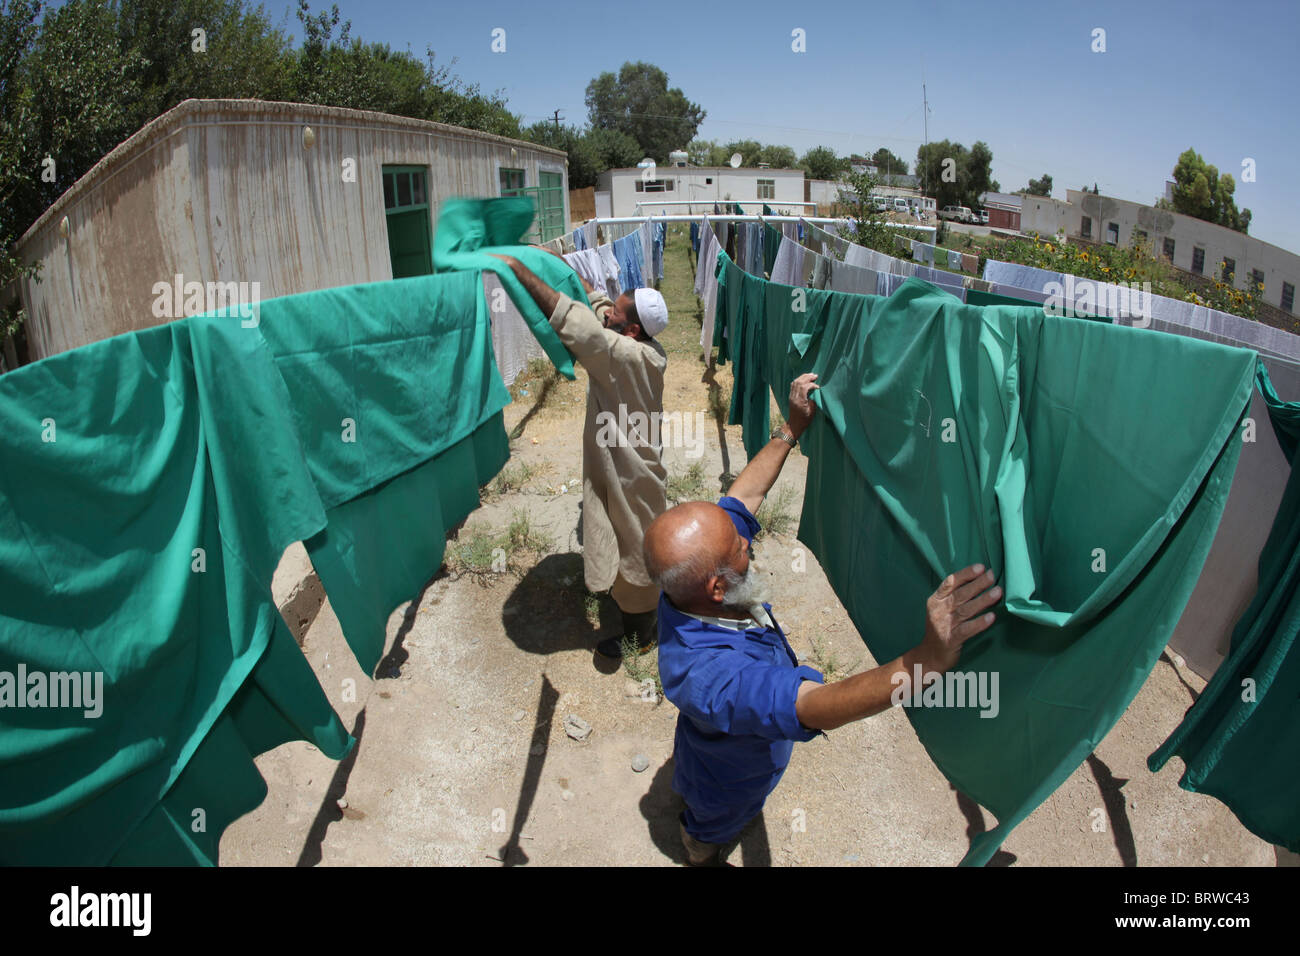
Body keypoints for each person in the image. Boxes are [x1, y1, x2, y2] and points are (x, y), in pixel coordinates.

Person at [643, 372, 1003, 865]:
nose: (749, 539)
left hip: (713, 746)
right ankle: (700, 843)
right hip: (735, 776)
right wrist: (927, 660)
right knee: (717, 811)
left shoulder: (687, 593)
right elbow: (814, 705)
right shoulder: (714, 678)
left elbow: (742, 501)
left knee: (697, 763)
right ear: (718, 588)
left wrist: (790, 430)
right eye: (741, 549)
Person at [491, 251, 669, 659]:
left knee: (636, 543)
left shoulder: (622, 356)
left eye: (616, 316)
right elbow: (598, 304)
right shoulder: (644, 345)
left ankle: (641, 636)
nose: (608, 314)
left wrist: (518, 271)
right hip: (619, 459)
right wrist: (560, 265)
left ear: (633, 330)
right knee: (614, 526)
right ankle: (630, 608)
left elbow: (573, 320)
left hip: (631, 472)